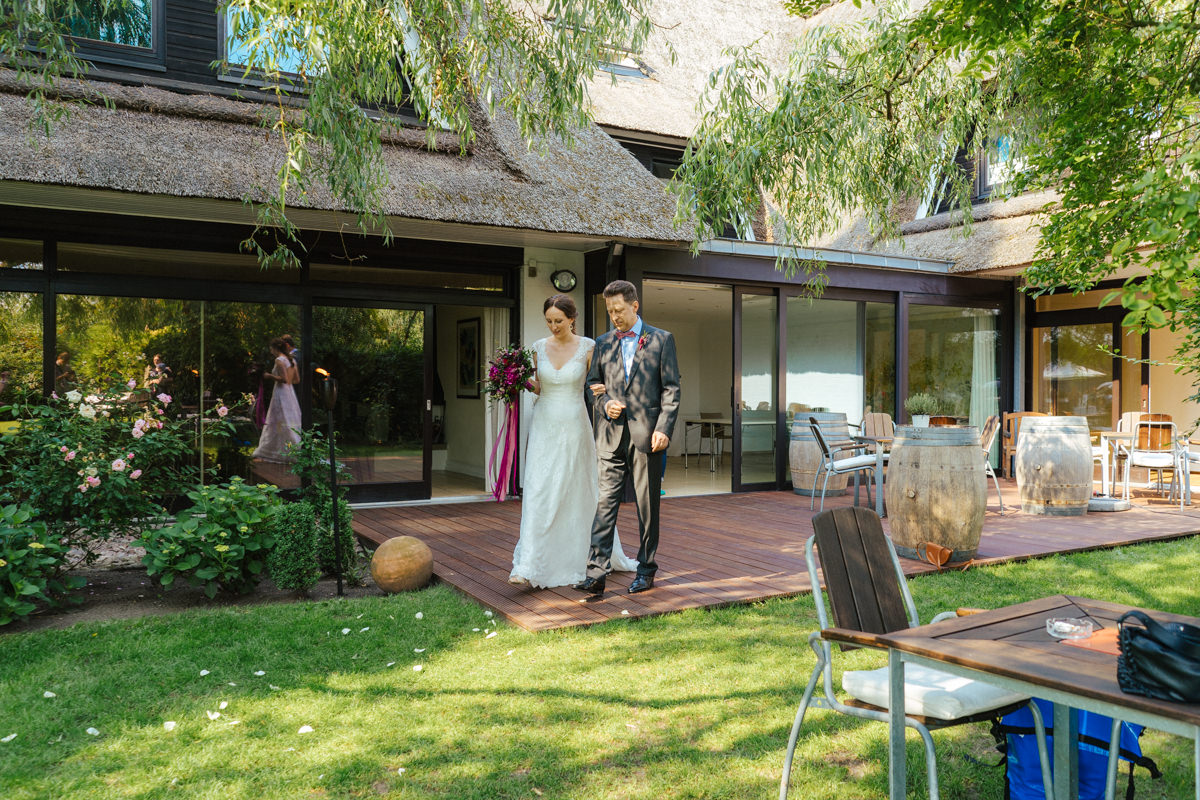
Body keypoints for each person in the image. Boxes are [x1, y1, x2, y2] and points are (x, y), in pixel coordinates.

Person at [508, 295, 639, 589]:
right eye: (549, 321)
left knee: (576, 490)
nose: (554, 326)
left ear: (571, 319)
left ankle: (588, 556)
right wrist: (516, 380)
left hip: (575, 425)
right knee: (540, 490)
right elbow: (539, 387)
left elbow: (597, 386)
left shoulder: (589, 347)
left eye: (559, 320)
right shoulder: (538, 348)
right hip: (544, 425)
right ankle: (527, 564)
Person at [577, 280, 680, 596]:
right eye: (610, 311)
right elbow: (593, 383)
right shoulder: (603, 342)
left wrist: (663, 427)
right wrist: (604, 401)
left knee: (647, 507)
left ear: (635, 306)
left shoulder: (661, 340)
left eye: (619, 310)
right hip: (609, 436)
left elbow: (671, 388)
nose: (614, 317)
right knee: (605, 503)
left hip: (648, 437)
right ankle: (596, 574)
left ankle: (646, 570)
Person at [252, 338, 301, 462]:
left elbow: (283, 379)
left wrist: (269, 376)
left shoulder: (279, 360)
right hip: (291, 393)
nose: (270, 351)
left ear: (275, 348)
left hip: (281, 393)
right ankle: (289, 447)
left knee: (277, 420)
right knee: (288, 421)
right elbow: (296, 380)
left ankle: (279, 450)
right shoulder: (292, 360)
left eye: (271, 348)